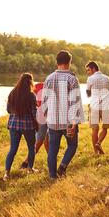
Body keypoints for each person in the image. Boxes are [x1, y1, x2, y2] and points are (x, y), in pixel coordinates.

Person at [41, 50, 84, 179]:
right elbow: (75, 102)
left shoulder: (49, 78)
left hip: (53, 121)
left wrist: (46, 116)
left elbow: (44, 101)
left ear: (57, 62)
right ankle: (62, 167)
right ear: (69, 62)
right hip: (68, 122)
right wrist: (75, 122)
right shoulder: (72, 79)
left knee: (52, 150)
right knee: (72, 145)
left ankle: (52, 176)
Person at [2, 73, 38, 182]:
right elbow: (34, 112)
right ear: (30, 82)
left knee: (13, 149)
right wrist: (37, 124)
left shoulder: (13, 93)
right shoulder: (31, 95)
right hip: (28, 126)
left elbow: (8, 110)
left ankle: (7, 173)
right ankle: (30, 168)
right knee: (31, 147)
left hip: (13, 125)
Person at [20, 82, 49, 169]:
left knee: (46, 139)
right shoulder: (44, 86)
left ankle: (51, 160)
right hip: (42, 116)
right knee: (40, 140)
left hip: (44, 116)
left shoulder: (38, 86)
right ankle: (26, 162)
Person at [85, 61, 109, 154]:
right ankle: (99, 143)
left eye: (88, 70)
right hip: (105, 106)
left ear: (93, 69)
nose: (87, 72)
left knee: (94, 130)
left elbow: (88, 93)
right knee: (104, 128)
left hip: (94, 106)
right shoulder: (107, 78)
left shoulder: (90, 79)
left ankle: (96, 152)